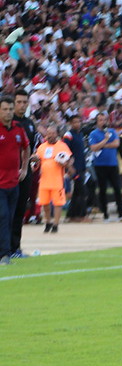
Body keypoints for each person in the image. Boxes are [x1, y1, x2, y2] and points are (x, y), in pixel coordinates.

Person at [0, 95, 31, 265]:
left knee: (11, 218)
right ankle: (4, 254)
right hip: (0, 184)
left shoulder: (19, 128)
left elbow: (26, 148)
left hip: (14, 183)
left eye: (10, 109)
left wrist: (24, 168)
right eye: (4, 109)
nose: (8, 112)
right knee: (3, 217)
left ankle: (9, 251)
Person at [10, 90, 38, 258]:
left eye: (24, 102)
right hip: (9, 171)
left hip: (25, 171)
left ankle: (16, 248)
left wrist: (33, 159)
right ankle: (6, 248)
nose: (21, 105)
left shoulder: (29, 123)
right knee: (7, 211)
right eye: (18, 102)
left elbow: (30, 147)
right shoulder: (8, 122)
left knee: (20, 210)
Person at [31, 124, 72, 233]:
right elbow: (36, 161)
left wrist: (64, 163)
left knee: (58, 203)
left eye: (53, 133)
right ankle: (48, 221)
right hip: (44, 180)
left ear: (57, 134)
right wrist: (33, 161)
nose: (50, 135)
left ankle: (55, 224)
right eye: (48, 133)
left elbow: (69, 160)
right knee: (45, 203)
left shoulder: (62, 146)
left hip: (57, 180)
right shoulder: (42, 147)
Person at [88, 112, 122, 221]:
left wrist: (103, 145)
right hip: (100, 165)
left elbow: (116, 144)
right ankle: (105, 214)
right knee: (103, 190)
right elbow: (93, 148)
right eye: (100, 120)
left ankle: (121, 213)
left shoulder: (112, 131)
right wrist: (105, 140)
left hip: (112, 164)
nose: (103, 122)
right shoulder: (93, 134)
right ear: (97, 122)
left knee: (117, 189)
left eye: (104, 120)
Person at [63, 114, 90, 222]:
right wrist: (69, 167)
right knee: (82, 191)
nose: (77, 124)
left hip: (81, 166)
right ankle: (82, 215)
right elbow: (65, 151)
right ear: (70, 123)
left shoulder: (80, 134)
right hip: (74, 168)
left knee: (77, 193)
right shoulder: (68, 135)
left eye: (79, 122)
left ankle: (71, 216)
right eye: (75, 122)